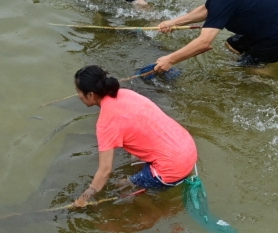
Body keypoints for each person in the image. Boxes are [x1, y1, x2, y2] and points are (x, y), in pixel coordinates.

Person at [70, 65, 198, 208]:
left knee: (123, 187)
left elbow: (105, 171)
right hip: (188, 148)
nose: (78, 95)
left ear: (91, 95)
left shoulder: (105, 123)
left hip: (172, 168)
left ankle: (157, 212)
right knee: (134, 162)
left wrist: (84, 197)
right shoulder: (125, 93)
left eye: (78, 92)